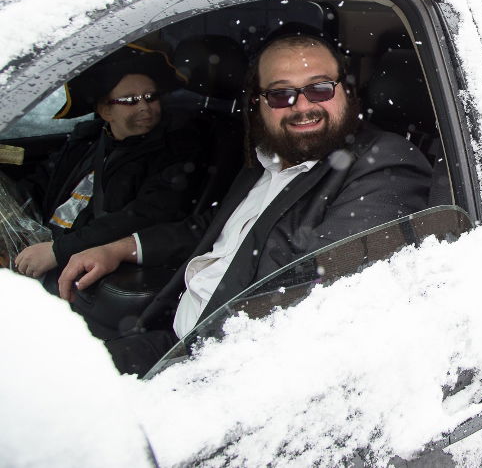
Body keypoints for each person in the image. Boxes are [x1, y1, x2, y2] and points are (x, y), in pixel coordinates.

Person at [58, 32, 432, 374]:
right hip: (175, 339)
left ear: (346, 92)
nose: (303, 107)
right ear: (260, 104)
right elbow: (212, 229)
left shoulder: (383, 163)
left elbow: (315, 301)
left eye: (319, 89)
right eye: (281, 94)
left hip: (225, 369)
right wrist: (120, 248)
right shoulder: (268, 155)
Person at [12, 45, 203, 282]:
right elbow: (42, 182)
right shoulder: (87, 141)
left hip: (76, 263)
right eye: (131, 100)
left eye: (150, 97)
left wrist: (58, 251)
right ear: (105, 111)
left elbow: (144, 215)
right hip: (43, 247)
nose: (145, 106)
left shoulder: (174, 151)